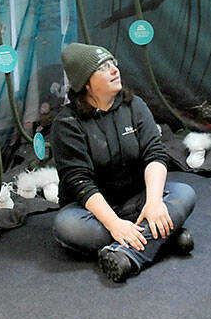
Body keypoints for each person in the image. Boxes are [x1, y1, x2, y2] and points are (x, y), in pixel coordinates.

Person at [50, 42, 196, 282]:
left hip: (138, 202)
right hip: (92, 213)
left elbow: (155, 155)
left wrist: (155, 202)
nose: (114, 70)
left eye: (113, 64)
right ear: (85, 82)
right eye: (103, 67)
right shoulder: (67, 124)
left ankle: (128, 254)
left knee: (184, 193)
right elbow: (79, 182)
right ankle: (160, 237)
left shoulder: (135, 106)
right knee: (67, 227)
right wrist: (115, 224)